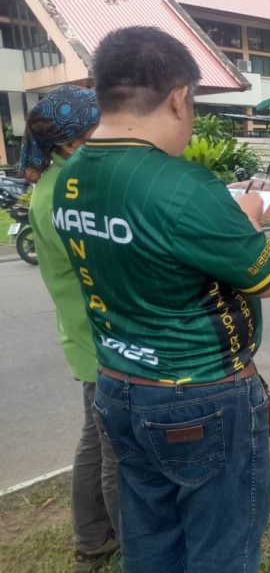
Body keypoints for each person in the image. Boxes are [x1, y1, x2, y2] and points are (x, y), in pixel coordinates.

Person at [53, 26, 270, 573]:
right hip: (199, 396)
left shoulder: (69, 177)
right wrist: (248, 218)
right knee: (222, 549)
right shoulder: (183, 186)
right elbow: (266, 278)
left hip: (117, 388)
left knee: (150, 543)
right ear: (179, 96)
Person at [22, 86, 121, 573]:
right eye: (98, 129)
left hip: (86, 335)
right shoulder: (64, 192)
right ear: (69, 143)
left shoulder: (67, 180)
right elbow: (107, 263)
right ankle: (138, 543)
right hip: (99, 336)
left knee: (95, 437)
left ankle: (93, 536)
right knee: (116, 450)